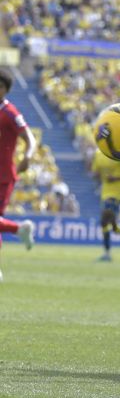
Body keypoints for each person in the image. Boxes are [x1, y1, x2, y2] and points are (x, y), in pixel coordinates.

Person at [0, 68, 36, 281]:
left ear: (5, 89)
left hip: (3, 176)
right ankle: (19, 229)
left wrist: (28, 156)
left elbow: (29, 138)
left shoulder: (10, 112)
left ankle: (19, 228)